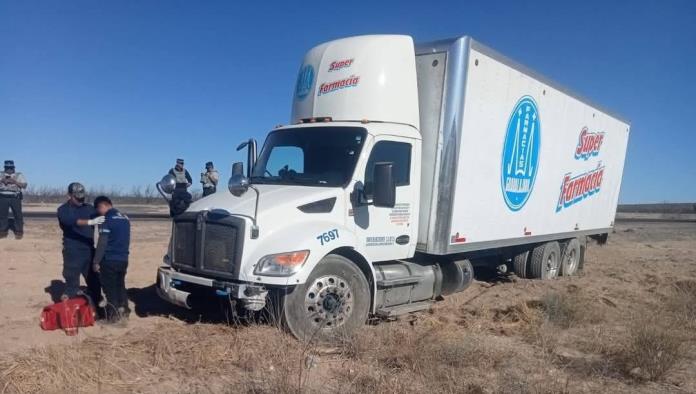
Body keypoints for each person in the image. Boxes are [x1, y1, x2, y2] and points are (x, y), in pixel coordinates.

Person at [56, 183, 104, 302]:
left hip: (88, 249)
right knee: (72, 281)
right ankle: (69, 308)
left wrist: (117, 216)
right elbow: (71, 221)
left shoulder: (89, 208)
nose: (81, 200)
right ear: (69, 196)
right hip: (72, 251)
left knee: (94, 280)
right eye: (77, 198)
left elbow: (104, 213)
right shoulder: (63, 210)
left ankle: (98, 307)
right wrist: (90, 222)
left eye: (82, 197)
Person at [92, 196, 131, 323]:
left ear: (102, 206)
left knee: (110, 290)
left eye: (98, 210)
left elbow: (102, 242)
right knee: (120, 286)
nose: (99, 213)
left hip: (110, 260)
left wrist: (96, 261)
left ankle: (113, 318)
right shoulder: (125, 219)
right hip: (123, 259)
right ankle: (124, 312)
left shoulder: (106, 220)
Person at [0, 160, 28, 239]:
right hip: (3, 197)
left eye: (11, 168)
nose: (9, 170)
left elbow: (24, 185)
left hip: (15, 197)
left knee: (18, 215)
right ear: (5, 167)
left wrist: (15, 182)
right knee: (2, 215)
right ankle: (2, 231)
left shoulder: (19, 175)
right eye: (7, 168)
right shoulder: (1, 174)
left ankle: (19, 232)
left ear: (13, 167)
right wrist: (2, 181)